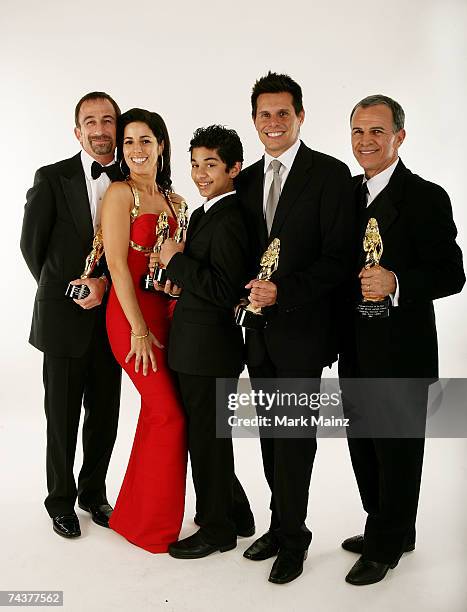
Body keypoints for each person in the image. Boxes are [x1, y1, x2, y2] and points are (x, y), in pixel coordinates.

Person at [339, 94, 465, 585]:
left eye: (376, 132)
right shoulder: (347, 194)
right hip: (354, 344)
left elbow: (453, 274)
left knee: (397, 449)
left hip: (402, 348)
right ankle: (387, 526)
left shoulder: (425, 195)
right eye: (357, 132)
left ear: (399, 137)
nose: (365, 141)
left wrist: (398, 282)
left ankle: (387, 543)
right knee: (362, 447)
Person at [236, 72, 354, 584]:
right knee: (268, 436)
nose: (274, 122)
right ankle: (279, 524)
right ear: (255, 120)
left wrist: (284, 292)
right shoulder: (243, 181)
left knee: (295, 438)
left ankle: (295, 539)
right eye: (265, 114)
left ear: (300, 116)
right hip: (257, 335)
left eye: (283, 113)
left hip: (303, 333)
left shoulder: (330, 174)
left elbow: (339, 259)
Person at [20, 92, 122, 538]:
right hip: (63, 322)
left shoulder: (131, 178)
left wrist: (108, 292)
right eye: (91, 122)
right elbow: (32, 247)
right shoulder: (51, 177)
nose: (100, 130)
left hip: (113, 321)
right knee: (61, 418)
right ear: (77, 130)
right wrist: (66, 292)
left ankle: (93, 493)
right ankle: (59, 499)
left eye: (108, 121)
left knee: (105, 414)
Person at [155, 125, 254, 559]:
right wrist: (179, 282)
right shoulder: (207, 211)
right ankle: (236, 511)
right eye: (194, 164)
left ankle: (217, 530)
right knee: (209, 435)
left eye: (210, 164)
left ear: (234, 168)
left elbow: (224, 288)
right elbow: (205, 281)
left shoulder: (231, 217)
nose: (199, 173)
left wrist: (174, 260)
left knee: (207, 439)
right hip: (196, 345)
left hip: (209, 349)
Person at [101, 108, 187, 553]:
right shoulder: (120, 193)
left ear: (161, 145)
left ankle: (132, 513)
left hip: (170, 317)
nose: (136, 150)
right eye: (128, 142)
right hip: (130, 317)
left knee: (165, 414)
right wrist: (136, 327)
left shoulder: (176, 201)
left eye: (145, 140)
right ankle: (148, 528)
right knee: (167, 413)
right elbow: (116, 262)